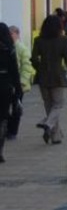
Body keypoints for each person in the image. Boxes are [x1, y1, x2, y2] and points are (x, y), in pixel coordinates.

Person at [30, 15, 67, 146]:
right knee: (58, 104)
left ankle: (56, 136)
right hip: (57, 76)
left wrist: (39, 68)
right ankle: (47, 124)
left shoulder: (38, 40)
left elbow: (34, 59)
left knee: (49, 105)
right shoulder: (64, 40)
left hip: (43, 77)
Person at [7, 26, 34, 139]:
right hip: (8, 83)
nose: (10, 36)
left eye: (11, 34)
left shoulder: (22, 48)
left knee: (16, 106)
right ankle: (9, 128)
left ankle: (13, 131)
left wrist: (22, 82)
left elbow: (27, 66)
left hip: (18, 83)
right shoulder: (7, 47)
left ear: (17, 34)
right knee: (7, 106)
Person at [0, 25, 20, 160]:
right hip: (4, 86)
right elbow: (15, 72)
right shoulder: (9, 50)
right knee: (2, 118)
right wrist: (18, 90)